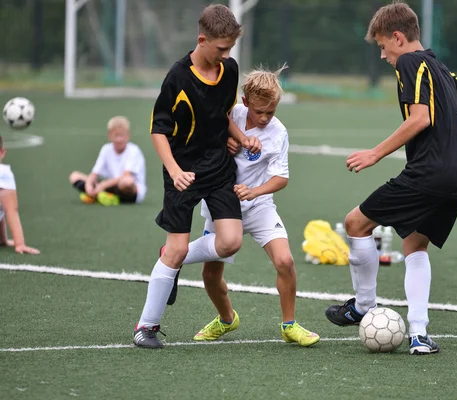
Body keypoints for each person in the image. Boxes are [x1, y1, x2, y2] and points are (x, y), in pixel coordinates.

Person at [324, 1, 457, 355]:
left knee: (355, 224)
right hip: (456, 177)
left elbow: (419, 119)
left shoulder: (409, 62)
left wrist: (375, 153)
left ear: (398, 37)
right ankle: (419, 335)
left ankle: (362, 306)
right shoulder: (441, 70)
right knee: (414, 246)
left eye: (382, 46)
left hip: (428, 174)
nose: (383, 56)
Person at [133, 4, 261, 349]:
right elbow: (158, 130)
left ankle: (169, 256)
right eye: (221, 48)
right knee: (175, 251)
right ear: (201, 40)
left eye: (230, 48)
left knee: (230, 242)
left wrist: (239, 136)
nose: (226, 54)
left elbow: (222, 114)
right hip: (183, 171)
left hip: (219, 168)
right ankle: (146, 326)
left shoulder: (229, 69)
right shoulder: (177, 77)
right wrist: (174, 171)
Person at [170, 65, 320, 347]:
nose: (264, 118)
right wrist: (231, 139)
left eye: (270, 112)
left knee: (285, 261)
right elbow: (209, 131)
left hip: (259, 206)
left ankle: (289, 325)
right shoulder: (232, 115)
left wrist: (254, 191)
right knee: (211, 275)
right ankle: (227, 319)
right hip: (221, 205)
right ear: (245, 101)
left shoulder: (278, 133)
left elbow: (281, 178)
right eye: (258, 111)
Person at [69, 116, 147, 206]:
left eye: (122, 135)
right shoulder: (106, 149)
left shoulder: (134, 150)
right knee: (74, 176)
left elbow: (125, 175)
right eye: (116, 135)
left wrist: (103, 185)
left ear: (128, 135)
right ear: (109, 136)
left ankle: (104, 196)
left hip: (129, 190)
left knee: (127, 181)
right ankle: (102, 196)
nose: (119, 139)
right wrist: (89, 185)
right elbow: (94, 173)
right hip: (111, 185)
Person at [0, 136, 40, 255]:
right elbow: (11, 210)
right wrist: (20, 244)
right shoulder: (3, 173)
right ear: (2, 152)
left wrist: (3, 240)